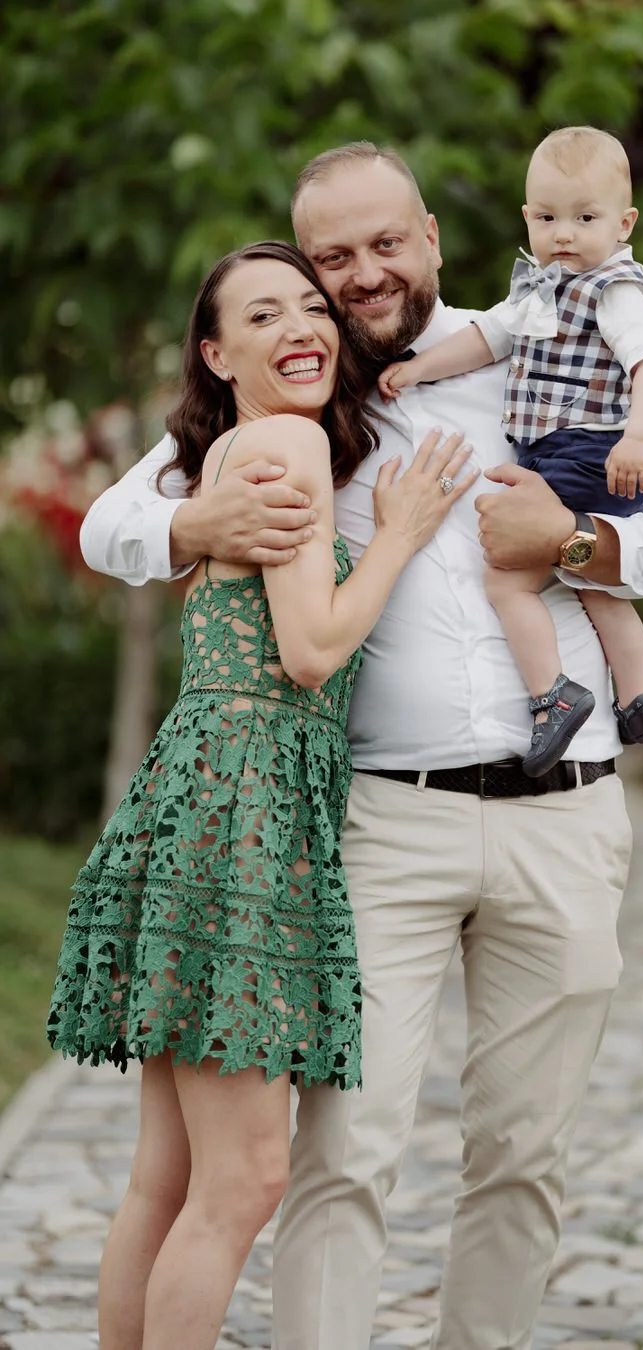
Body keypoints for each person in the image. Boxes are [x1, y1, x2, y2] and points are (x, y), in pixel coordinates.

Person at [79, 143, 643, 1350]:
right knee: (345, 1152)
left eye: (385, 244)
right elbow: (114, 523)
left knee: (523, 1155)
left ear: (431, 237)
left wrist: (572, 544)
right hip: (385, 820)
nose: (364, 273)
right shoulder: (298, 393)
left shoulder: (538, 345)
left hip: (565, 816)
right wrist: (195, 522)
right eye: (333, 256)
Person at [47, 239, 474, 1350]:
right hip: (244, 807)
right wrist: (401, 537)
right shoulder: (286, 441)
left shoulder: (237, 449)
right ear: (216, 354)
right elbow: (312, 650)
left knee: (169, 1176)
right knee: (242, 1181)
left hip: (203, 793)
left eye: (312, 309)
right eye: (264, 316)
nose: (301, 329)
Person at [379, 126, 643, 776]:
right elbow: (487, 338)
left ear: (624, 223)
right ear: (527, 217)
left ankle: (554, 697)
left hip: (587, 452)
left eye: (585, 218)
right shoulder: (542, 286)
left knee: (507, 581)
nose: (563, 234)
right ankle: (637, 700)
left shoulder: (614, 290)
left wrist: (639, 439)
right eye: (547, 218)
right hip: (558, 455)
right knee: (596, 588)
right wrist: (420, 368)